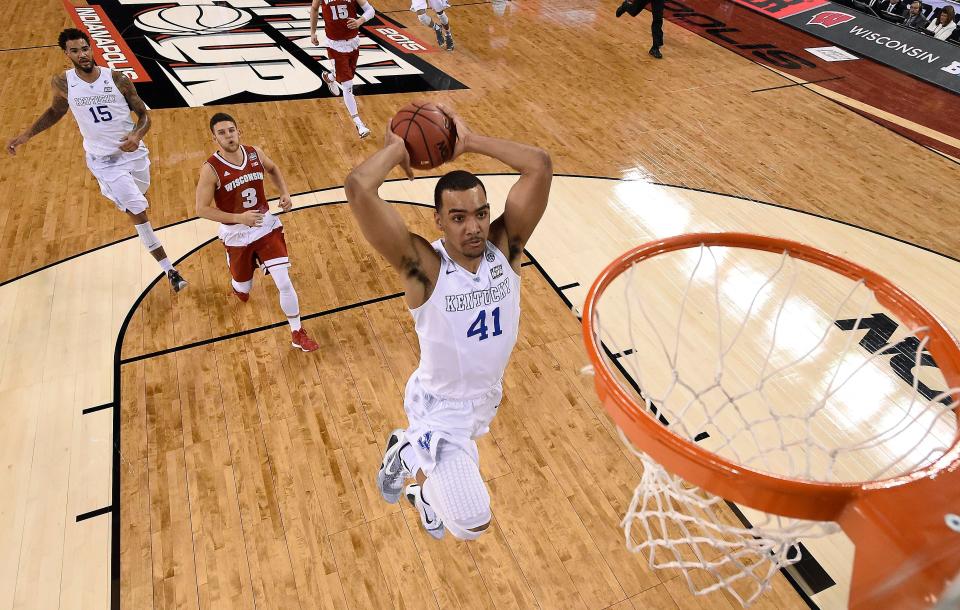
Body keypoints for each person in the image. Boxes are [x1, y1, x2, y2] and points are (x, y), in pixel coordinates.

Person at [345, 106, 551, 540]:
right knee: (470, 525)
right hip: (439, 408)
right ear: (438, 221)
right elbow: (360, 189)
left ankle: (422, 482)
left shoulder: (506, 246)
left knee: (455, 502)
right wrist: (397, 149)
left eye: (480, 213)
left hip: (485, 399)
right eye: (458, 218)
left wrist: (470, 141)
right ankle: (406, 453)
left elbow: (539, 165)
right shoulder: (424, 268)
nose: (473, 227)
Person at [7, 28, 187, 291]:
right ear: (66, 54)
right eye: (75, 51)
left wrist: (137, 135)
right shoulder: (63, 83)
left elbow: (144, 115)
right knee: (138, 209)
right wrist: (27, 135)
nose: (82, 55)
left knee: (138, 198)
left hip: (134, 154)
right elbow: (56, 111)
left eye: (85, 48)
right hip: (105, 161)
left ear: (91, 48)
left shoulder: (117, 79)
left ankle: (121, 197)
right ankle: (170, 270)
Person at [195, 113, 319, 353]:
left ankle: (296, 331)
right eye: (221, 132)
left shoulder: (255, 153)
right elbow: (201, 209)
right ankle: (238, 282)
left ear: (238, 131)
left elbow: (273, 168)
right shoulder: (211, 169)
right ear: (214, 138)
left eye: (231, 130)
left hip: (264, 226)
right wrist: (238, 218)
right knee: (243, 288)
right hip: (236, 233)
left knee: (283, 280)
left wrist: (285, 193)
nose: (228, 135)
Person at [310, 0, 376, 139]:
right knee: (348, 84)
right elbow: (314, 9)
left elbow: (371, 10)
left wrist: (360, 21)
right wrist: (313, 32)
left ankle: (329, 77)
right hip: (335, 46)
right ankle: (359, 124)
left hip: (353, 42)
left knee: (344, 75)